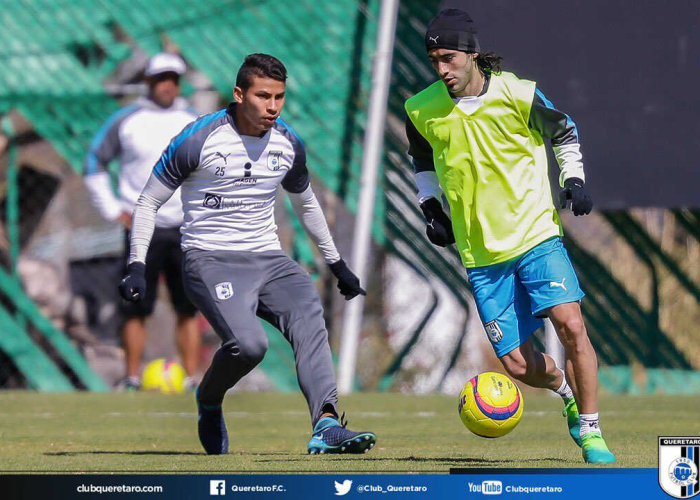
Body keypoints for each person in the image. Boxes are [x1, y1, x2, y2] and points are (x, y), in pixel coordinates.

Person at [118, 53, 377, 455]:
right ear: (239, 94)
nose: (272, 107)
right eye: (262, 96)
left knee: (310, 317)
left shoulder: (288, 143)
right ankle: (208, 397)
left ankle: (326, 423)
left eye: (279, 97)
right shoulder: (197, 139)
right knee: (250, 346)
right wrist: (136, 263)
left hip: (270, 260)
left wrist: (336, 263)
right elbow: (149, 202)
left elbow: (306, 204)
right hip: (209, 260)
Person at [405, 9, 614, 463]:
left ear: (472, 54)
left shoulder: (519, 94)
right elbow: (421, 158)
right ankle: (566, 393)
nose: (442, 70)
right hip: (481, 255)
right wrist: (430, 206)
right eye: (434, 60)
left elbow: (565, 132)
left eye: (449, 58)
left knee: (572, 325)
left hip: (536, 234)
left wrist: (573, 179)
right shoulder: (421, 108)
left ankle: (592, 430)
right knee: (518, 365)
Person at [84, 53, 201, 391]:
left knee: (188, 306)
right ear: (148, 82)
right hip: (142, 228)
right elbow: (94, 162)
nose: (168, 85)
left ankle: (192, 379)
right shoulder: (127, 119)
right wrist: (112, 210)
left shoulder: (194, 120)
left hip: (185, 226)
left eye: (174, 78)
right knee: (134, 304)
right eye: (161, 78)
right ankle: (132, 378)